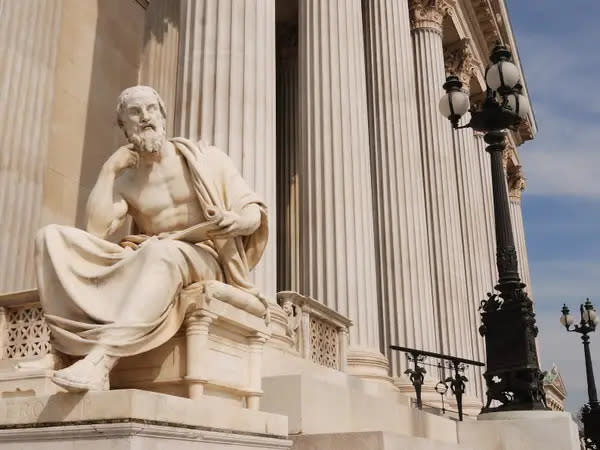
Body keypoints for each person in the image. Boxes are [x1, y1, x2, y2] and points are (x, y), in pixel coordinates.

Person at [33, 86, 268, 391]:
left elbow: (253, 211)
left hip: (207, 257)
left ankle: (101, 360)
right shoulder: (127, 183)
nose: (145, 117)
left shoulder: (206, 159)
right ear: (123, 126)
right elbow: (94, 231)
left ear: (163, 115)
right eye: (134, 112)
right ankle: (64, 350)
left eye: (151, 109)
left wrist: (236, 221)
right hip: (152, 256)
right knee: (49, 237)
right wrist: (108, 170)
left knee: (163, 252)